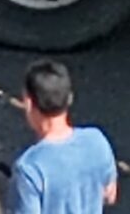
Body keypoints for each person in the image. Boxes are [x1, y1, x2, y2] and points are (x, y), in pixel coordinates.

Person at [7, 61, 116, 214]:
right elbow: (109, 195)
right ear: (69, 98)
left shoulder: (29, 169)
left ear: (28, 103)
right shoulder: (97, 141)